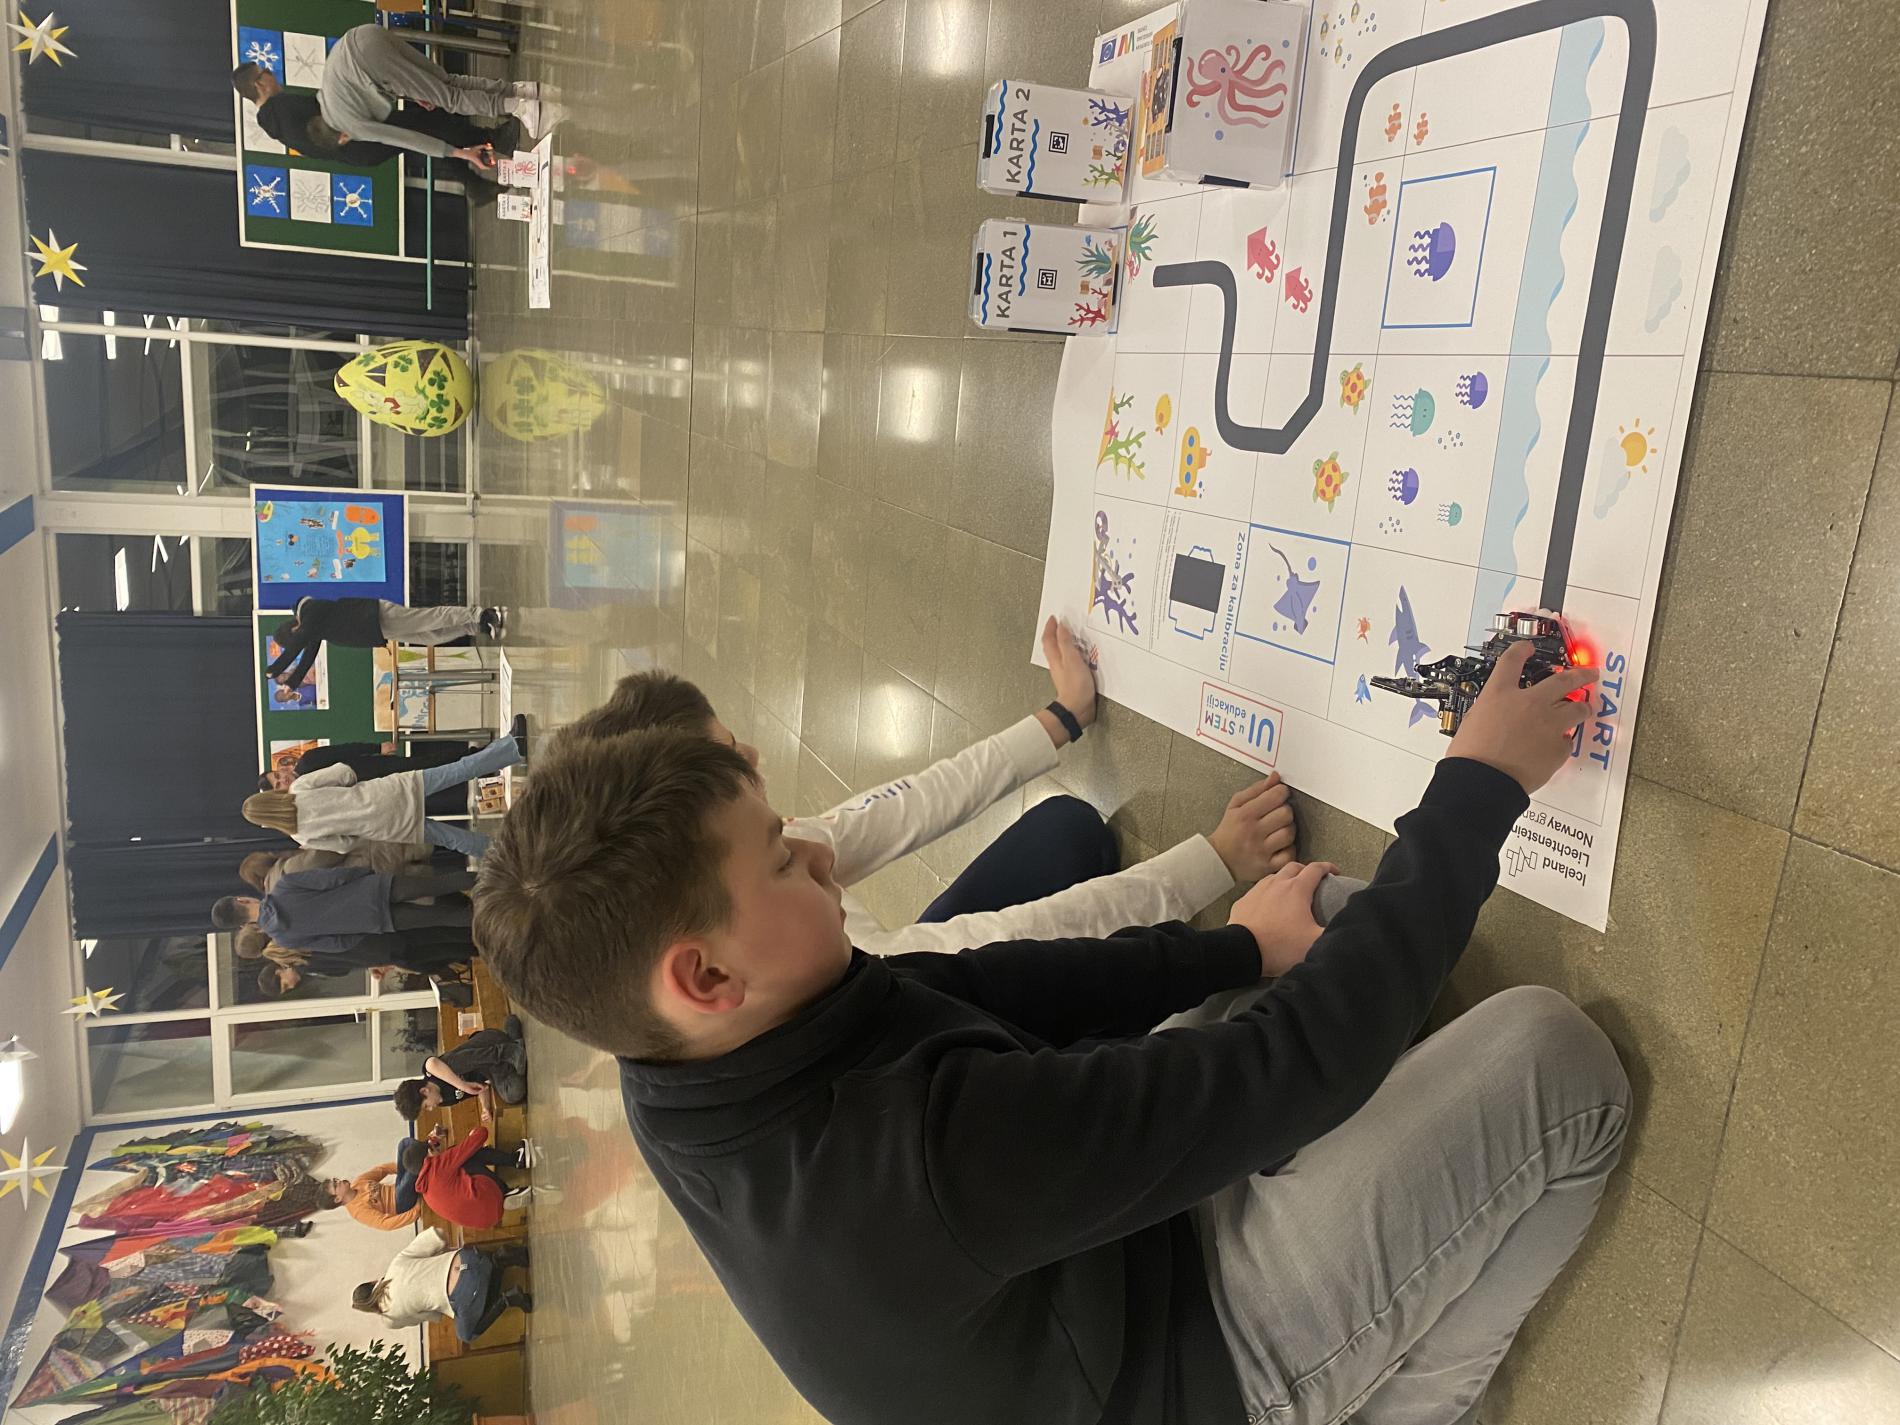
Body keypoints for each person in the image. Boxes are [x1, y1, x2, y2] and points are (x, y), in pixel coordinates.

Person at [472, 642, 1627, 1425]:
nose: (817, 853)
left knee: (1323, 926)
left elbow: (1001, 984)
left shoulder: (682, 1049)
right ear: (707, 976)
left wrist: (1237, 950)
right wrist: (1478, 784)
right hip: (1185, 1372)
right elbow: (1292, 1068)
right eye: (781, 860)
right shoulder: (899, 1169)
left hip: (1087, 1267)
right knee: (1553, 1059)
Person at [546, 618, 1312, 956]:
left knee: (1069, 830)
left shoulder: (735, 866)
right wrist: (1215, 863)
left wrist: (1060, 718)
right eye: (730, 756)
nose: (754, 752)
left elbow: (907, 806)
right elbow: (1004, 943)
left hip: (906, 962)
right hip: (939, 1024)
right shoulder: (832, 970)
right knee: (1118, 972)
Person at [230, 26, 559, 174]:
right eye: (266, 72)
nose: (272, 74)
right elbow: (366, 85)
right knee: (444, 82)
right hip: (363, 36)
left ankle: (520, 107)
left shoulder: (350, 126)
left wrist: (460, 154)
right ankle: (520, 90)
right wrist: (410, 90)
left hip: (369, 59)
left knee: (448, 98)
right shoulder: (320, 101)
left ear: (342, 138)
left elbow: (408, 138)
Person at [240, 720, 527, 860]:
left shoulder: (301, 835)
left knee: (453, 840)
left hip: (387, 827)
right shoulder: (300, 788)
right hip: (391, 793)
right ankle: (512, 747)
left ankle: (509, 854)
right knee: (457, 771)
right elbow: (343, 773)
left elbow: (345, 846)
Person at [265, 595, 506, 692]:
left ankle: (481, 614)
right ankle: (476, 627)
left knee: (430, 618)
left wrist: (275, 669)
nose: (301, 639)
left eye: (297, 637)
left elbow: (301, 643)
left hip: (376, 617)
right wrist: (293, 682)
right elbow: (308, 654)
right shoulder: (311, 629)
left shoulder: (310, 611)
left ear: (294, 628)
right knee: (430, 637)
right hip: (378, 630)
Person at [211, 866, 478, 952]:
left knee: (445, 918)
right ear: (242, 900)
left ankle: (497, 916)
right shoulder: (284, 886)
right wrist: (364, 874)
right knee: (440, 884)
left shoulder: (284, 939)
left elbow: (337, 944)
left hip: (375, 921)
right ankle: (496, 879)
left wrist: (360, 928)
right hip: (372, 889)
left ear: (242, 925)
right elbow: (331, 878)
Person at [353, 1228, 531, 1343]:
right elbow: (438, 1234)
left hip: (464, 1293)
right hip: (470, 1258)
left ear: (370, 1309)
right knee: (474, 1287)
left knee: (466, 1335)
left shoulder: (389, 1318)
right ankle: (500, 1258)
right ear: (373, 1282)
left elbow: (432, 1315)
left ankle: (508, 1299)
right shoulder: (395, 1265)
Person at [405, 1117, 529, 1229]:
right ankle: (516, 1160)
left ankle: (508, 1194)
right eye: (434, 1148)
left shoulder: (426, 1194)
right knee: (467, 1156)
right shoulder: (437, 1167)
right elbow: (482, 1134)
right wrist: (473, 1134)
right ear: (429, 1153)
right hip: (489, 1195)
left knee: (460, 1168)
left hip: (487, 1220)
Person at [392, 1016, 528, 1116]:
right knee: (513, 1093)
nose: (431, 1108)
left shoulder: (431, 1071)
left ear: (424, 1091)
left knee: (450, 1065)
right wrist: (485, 1107)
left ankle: (511, 1051)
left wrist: (462, 1085)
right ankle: (514, 1039)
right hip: (491, 1069)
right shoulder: (443, 1100)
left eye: (426, 1106)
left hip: (489, 1045)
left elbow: (432, 1063)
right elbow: (480, 1086)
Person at [327, 1160, 423, 1232]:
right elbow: (385, 1224)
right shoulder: (358, 1211)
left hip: (399, 1187)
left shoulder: (358, 1182)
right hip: (400, 1204)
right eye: (335, 1185)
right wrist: (416, 1211)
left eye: (335, 1180)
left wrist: (403, 1170)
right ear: (338, 1199)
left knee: (404, 1145)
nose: (338, 1181)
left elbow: (383, 1169)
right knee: (412, 1168)